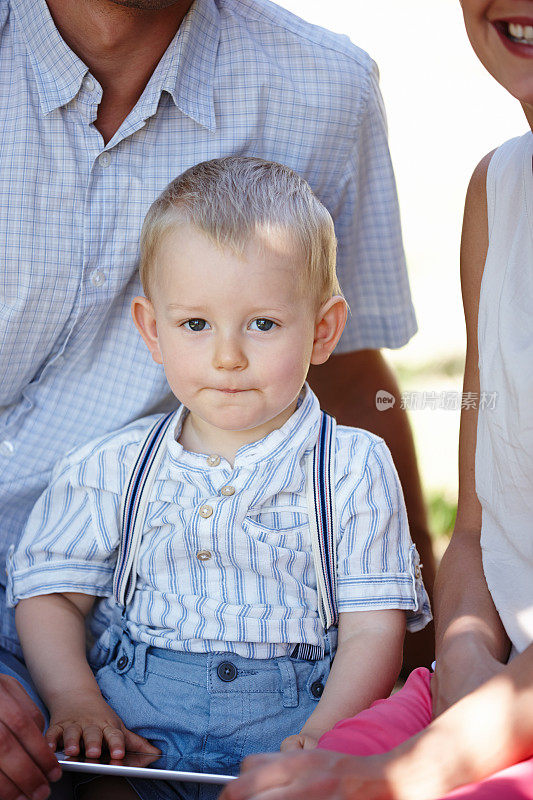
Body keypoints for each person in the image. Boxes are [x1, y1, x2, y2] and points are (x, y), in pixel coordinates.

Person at [0, 1, 436, 797]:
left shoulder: (347, 468)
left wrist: (338, 735)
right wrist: (77, 701)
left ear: (319, 329)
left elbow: (373, 621)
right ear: (152, 328)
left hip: (285, 728)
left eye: (261, 324)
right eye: (196, 324)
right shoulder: (111, 468)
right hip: (111, 717)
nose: (228, 356)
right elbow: (50, 592)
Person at [218, 2, 533, 799]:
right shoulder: (497, 192)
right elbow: (476, 520)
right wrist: (459, 652)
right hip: (494, 678)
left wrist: (401, 772)